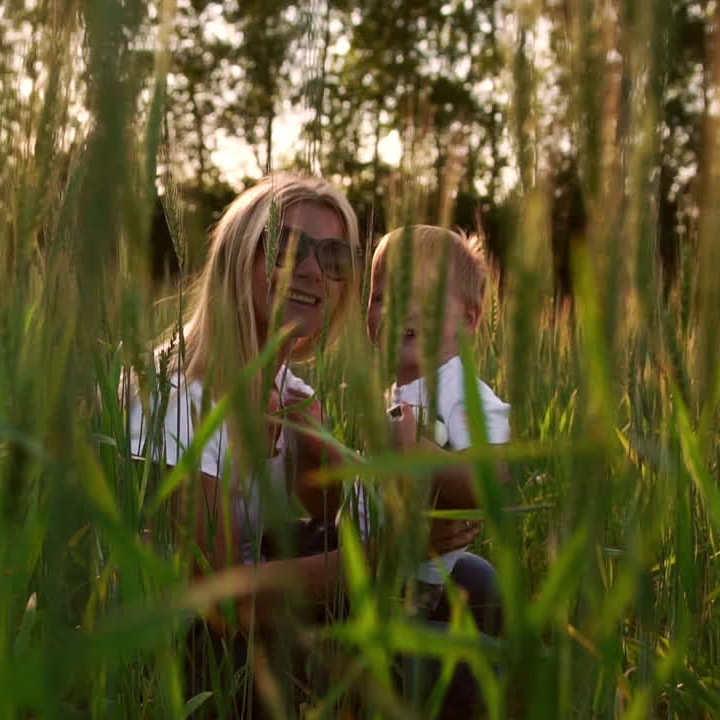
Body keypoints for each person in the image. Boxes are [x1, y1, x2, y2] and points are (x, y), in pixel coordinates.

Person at [124, 176, 486, 714]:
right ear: (239, 257)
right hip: (190, 651)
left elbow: (335, 509)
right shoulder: (177, 400)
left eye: (335, 257)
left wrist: (425, 491)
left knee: (471, 579)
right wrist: (388, 553)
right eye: (287, 246)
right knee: (419, 650)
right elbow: (219, 601)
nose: (315, 270)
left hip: (262, 610)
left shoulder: (286, 393)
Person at [367, 224, 509, 638]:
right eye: (380, 297)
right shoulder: (400, 389)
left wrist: (417, 449)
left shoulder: (460, 391)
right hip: (388, 570)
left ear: (468, 319)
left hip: (421, 585)